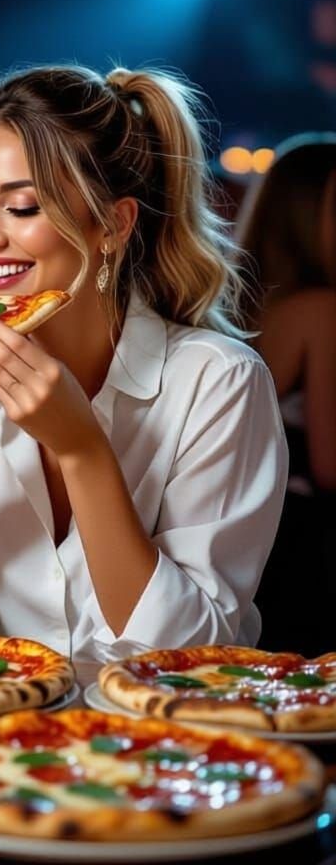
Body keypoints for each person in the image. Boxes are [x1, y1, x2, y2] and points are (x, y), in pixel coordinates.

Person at [0, 65, 287, 663]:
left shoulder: (219, 382)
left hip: (160, 744)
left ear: (113, 225)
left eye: (22, 206)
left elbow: (191, 654)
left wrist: (82, 450)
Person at [239, 133, 336, 656]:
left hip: (249, 540)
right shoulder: (321, 310)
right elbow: (329, 467)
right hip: (302, 551)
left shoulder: (242, 306)